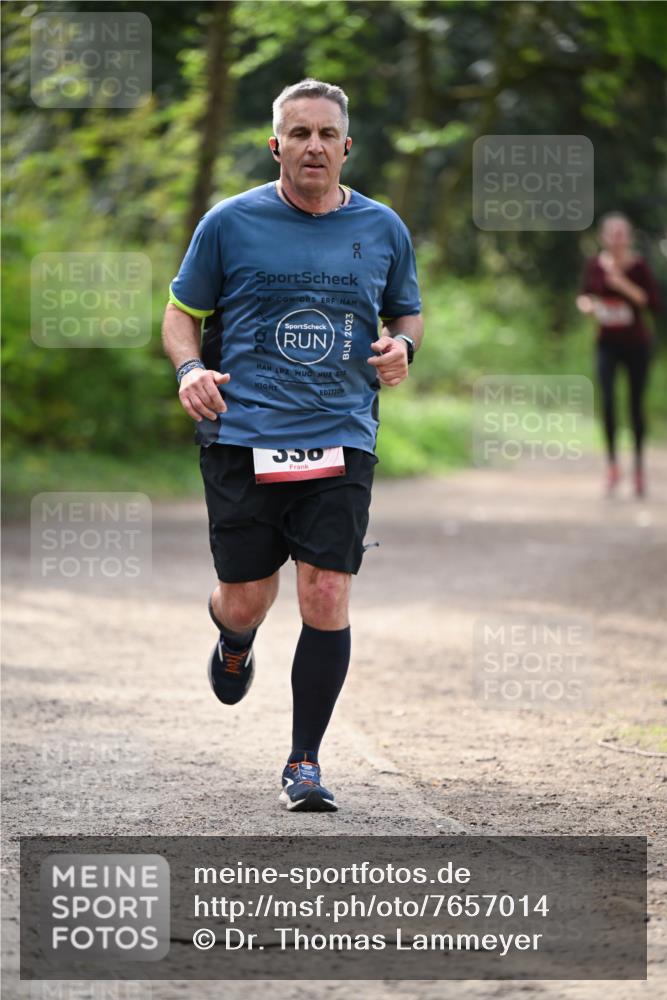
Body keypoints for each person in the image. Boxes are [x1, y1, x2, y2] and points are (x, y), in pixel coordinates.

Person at [162, 79, 423, 812]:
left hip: (341, 433)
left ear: (347, 146)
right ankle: (234, 639)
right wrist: (189, 369)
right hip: (242, 433)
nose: (314, 145)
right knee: (246, 599)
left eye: (326, 134)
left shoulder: (382, 227)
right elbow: (181, 314)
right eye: (299, 133)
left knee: (327, 591)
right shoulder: (229, 222)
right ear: (275, 145)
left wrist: (402, 347)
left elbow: (405, 312)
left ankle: (303, 761)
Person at [576, 212, 660, 497]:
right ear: (603, 237)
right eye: (612, 234)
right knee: (608, 402)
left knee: (635, 405)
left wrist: (621, 283)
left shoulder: (639, 267)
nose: (616, 239)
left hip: (637, 345)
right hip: (606, 343)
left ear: (629, 237)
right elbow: (584, 294)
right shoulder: (594, 265)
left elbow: (652, 303)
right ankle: (612, 465)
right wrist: (586, 305)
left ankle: (638, 468)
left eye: (621, 234)